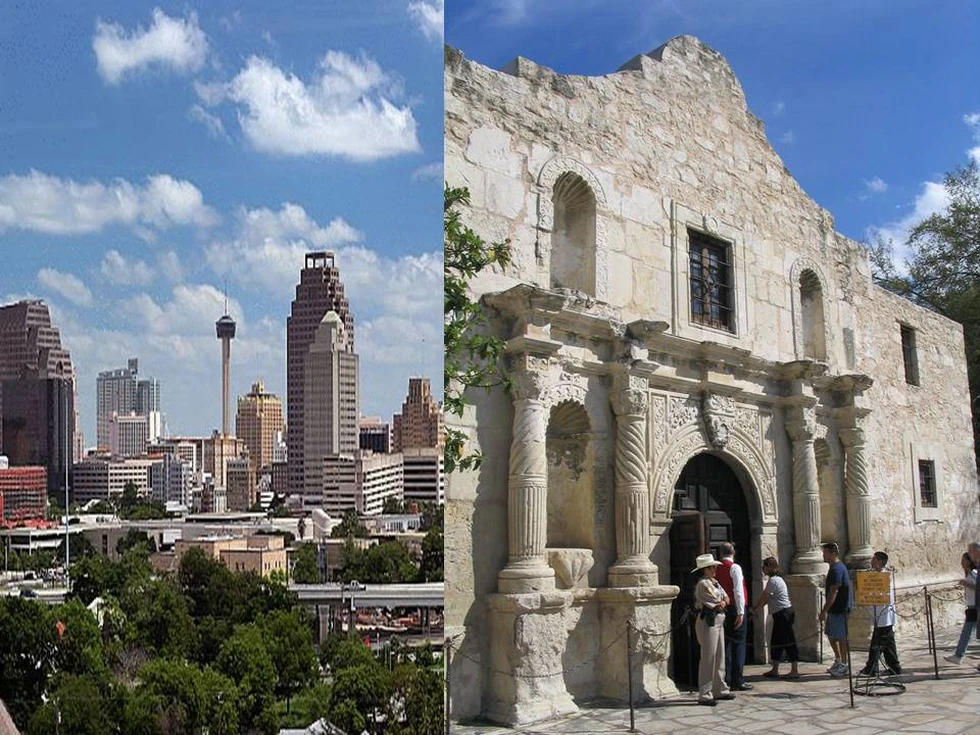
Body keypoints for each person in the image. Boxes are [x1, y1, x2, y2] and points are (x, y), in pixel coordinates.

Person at [692, 553, 736, 706]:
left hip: (719, 620)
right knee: (708, 657)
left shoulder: (715, 582)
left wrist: (724, 601)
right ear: (705, 569)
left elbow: (727, 598)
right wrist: (723, 602)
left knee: (719, 655)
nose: (715, 569)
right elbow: (717, 602)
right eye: (712, 567)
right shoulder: (703, 584)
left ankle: (720, 688)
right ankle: (705, 692)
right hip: (709, 621)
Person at [752, 556, 800, 678]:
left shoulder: (774, 581)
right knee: (777, 640)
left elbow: (765, 597)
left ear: (769, 568)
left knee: (788, 641)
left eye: (764, 567)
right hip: (781, 613)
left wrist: (756, 609)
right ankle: (775, 669)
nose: (762, 570)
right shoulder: (776, 580)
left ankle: (794, 670)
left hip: (783, 613)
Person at [716, 541, 752, 691]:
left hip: (724, 609)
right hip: (735, 609)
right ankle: (738, 679)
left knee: (726, 644)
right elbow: (738, 590)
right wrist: (741, 612)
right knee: (738, 644)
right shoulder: (734, 568)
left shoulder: (716, 568)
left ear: (720, 553)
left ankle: (727, 678)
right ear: (733, 553)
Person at [859, 551, 902, 676]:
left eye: (874, 560)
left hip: (883, 614)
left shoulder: (884, 576)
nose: (872, 562)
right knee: (888, 643)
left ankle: (871, 668)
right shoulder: (874, 575)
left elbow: (882, 595)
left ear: (880, 562)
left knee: (877, 643)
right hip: (880, 615)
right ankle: (895, 666)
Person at [818, 541, 851, 677]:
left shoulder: (837, 569)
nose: (823, 555)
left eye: (825, 552)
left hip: (839, 608)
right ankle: (838, 659)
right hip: (834, 609)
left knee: (841, 636)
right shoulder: (834, 568)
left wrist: (825, 610)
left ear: (832, 553)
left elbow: (834, 591)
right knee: (831, 635)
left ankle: (844, 664)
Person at [944, 551, 977, 666]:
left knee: (966, 633)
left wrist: (965, 584)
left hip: (976, 608)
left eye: (963, 560)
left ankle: (959, 655)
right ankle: (959, 655)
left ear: (969, 562)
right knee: (966, 633)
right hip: (972, 607)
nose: (961, 563)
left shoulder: (974, 573)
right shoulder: (969, 574)